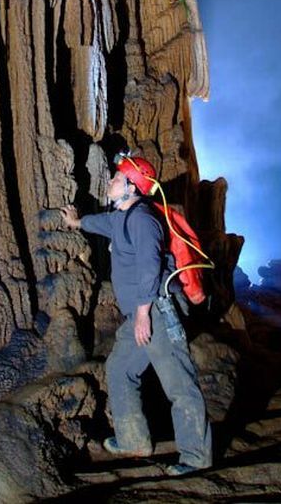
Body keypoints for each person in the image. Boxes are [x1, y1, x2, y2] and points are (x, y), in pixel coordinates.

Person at [61, 153, 212, 477]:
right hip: (142, 314)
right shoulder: (121, 217)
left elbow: (150, 267)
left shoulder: (143, 219)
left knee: (178, 383)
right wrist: (77, 222)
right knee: (119, 368)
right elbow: (101, 224)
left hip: (157, 309)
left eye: (117, 179)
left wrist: (143, 313)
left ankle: (196, 457)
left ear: (132, 187)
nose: (111, 181)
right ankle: (134, 440)